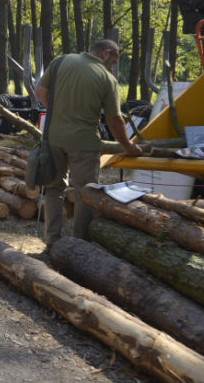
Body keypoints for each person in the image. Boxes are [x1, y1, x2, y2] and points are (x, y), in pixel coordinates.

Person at [34, 38, 143, 250]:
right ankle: (80, 244)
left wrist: (60, 112)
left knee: (54, 189)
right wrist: (129, 147)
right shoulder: (107, 79)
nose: (112, 66)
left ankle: (52, 241)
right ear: (106, 54)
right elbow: (114, 121)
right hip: (84, 143)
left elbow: (41, 93)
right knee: (85, 192)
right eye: (113, 61)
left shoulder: (61, 61)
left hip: (53, 137)